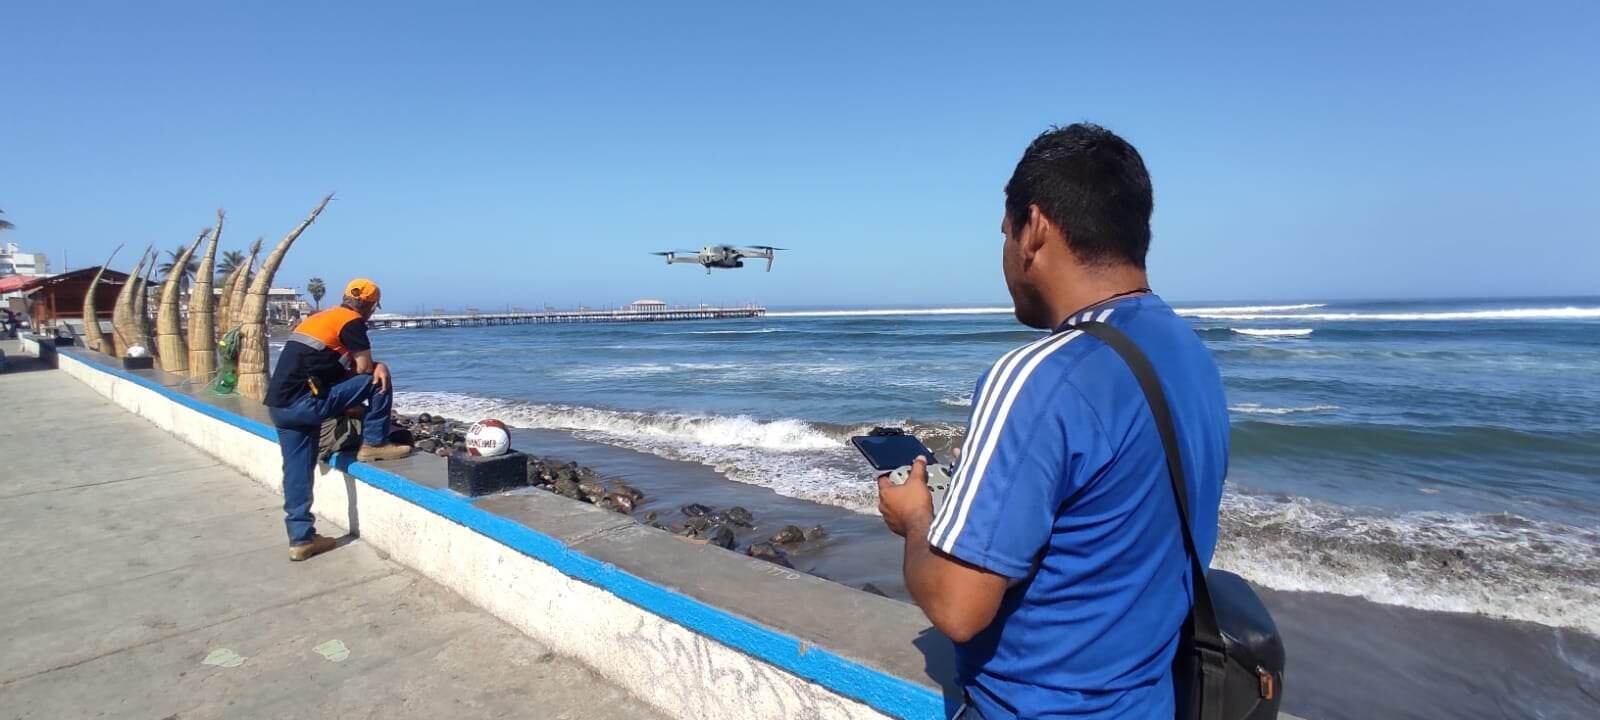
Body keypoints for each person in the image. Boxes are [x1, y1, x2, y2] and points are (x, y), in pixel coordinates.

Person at [876, 124, 1229, 719]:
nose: (1005, 255)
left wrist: (915, 522)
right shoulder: (1188, 354)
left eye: (1005, 233)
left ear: (1033, 228)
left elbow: (959, 609)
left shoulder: (1039, 375)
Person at [265, 278, 413, 561]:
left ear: (345, 297)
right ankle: (374, 442)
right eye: (372, 308)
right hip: (306, 404)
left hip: (280, 406)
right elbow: (364, 368)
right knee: (379, 376)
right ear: (369, 306)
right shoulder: (351, 321)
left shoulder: (319, 319)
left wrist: (347, 403)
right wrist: (378, 366)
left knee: (297, 471)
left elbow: (325, 368)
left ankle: (301, 539)